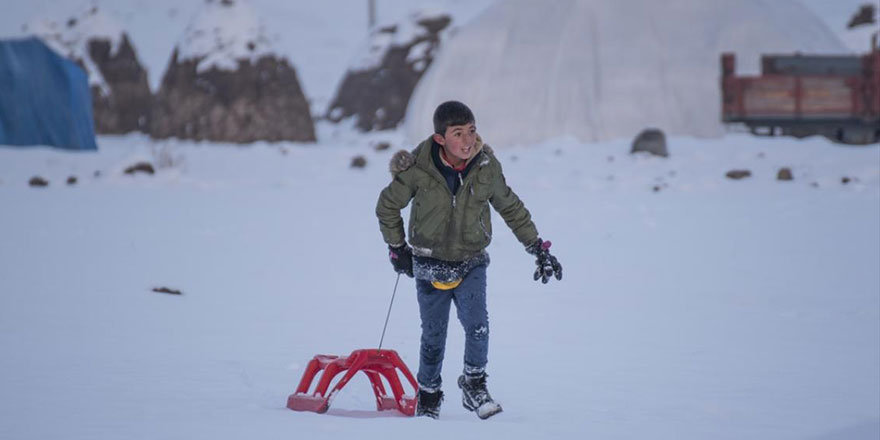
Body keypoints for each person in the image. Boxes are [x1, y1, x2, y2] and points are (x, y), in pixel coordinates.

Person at [375, 100, 562, 420]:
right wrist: (398, 248)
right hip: (430, 262)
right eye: (458, 133)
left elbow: (511, 207)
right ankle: (429, 395)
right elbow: (387, 207)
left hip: (472, 260)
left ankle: (474, 384)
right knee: (433, 333)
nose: (468, 140)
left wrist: (537, 248)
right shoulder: (417, 170)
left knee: (477, 326)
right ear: (440, 139)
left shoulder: (487, 167)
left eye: (472, 131)